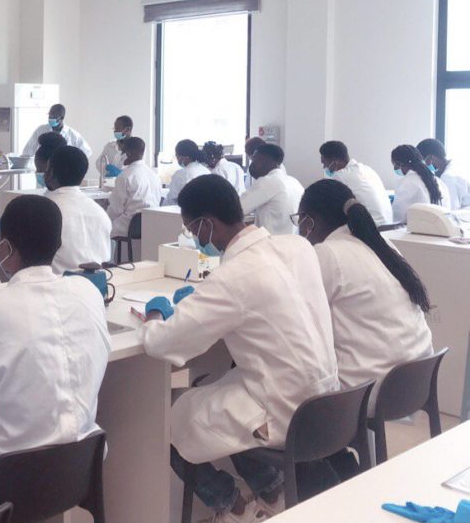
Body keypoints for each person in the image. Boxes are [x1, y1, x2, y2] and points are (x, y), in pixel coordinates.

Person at [140, 175, 337, 522]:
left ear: (207, 224)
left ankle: (233, 506)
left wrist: (156, 314)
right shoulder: (298, 248)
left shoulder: (233, 276)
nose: (195, 239)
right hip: (328, 401)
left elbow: (163, 343)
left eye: (192, 230)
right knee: (213, 391)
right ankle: (271, 490)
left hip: (283, 411)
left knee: (162, 420)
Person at [0, 194, 111, 483]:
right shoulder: (88, 293)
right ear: (58, 244)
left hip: (6, 478)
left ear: (5, 247)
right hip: (79, 469)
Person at [297, 180, 432, 409]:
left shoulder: (326, 253)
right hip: (416, 379)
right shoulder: (382, 244)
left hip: (370, 391)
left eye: (298, 221)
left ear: (309, 221)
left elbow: (298, 316)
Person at [45, 146, 112, 273]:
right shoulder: (100, 211)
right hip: (97, 286)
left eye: (46, 169)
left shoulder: (47, 211)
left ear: (51, 173)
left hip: (59, 287)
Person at [319, 141, 394, 226]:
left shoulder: (340, 176)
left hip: (371, 229)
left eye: (325, 163)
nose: (324, 167)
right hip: (389, 226)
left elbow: (330, 207)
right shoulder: (367, 169)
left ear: (335, 163)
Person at [241, 144, 304, 235]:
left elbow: (238, 208)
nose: (252, 165)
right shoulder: (295, 182)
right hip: (293, 243)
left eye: (254, 160)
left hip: (271, 244)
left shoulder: (267, 181)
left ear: (265, 160)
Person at [106, 137, 162, 238]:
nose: (120, 155)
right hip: (149, 225)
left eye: (122, 152)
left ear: (129, 153)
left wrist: (104, 218)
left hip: (128, 225)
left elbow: (115, 209)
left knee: (99, 229)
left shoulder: (125, 176)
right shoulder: (154, 175)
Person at [391, 144, 450, 224]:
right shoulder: (438, 181)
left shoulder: (405, 183)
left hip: (416, 231)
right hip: (440, 230)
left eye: (395, 166)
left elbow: (398, 218)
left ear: (399, 164)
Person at [21, 103, 92, 158]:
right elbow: (28, 151)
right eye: (49, 115)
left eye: (54, 116)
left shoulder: (72, 134)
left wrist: (74, 163)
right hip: (44, 168)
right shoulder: (41, 130)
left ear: (62, 118)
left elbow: (87, 151)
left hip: (64, 170)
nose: (50, 118)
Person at [417, 138, 470, 209]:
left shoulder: (447, 177)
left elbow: (450, 211)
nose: (424, 166)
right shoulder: (457, 167)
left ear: (430, 158)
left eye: (423, 162)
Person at [164, 139, 210, 206]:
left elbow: (171, 200)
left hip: (186, 212)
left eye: (177, 155)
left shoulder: (181, 174)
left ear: (184, 157)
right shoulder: (206, 171)